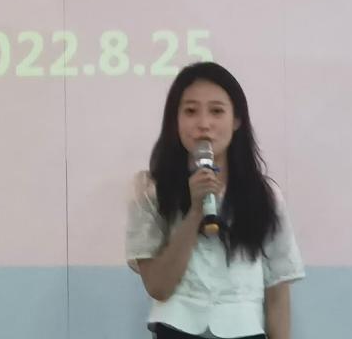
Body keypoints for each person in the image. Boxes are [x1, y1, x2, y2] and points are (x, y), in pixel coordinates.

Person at [125, 62, 304, 339]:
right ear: (175, 120)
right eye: (190, 111)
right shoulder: (151, 190)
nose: (204, 124)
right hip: (177, 329)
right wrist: (195, 212)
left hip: (244, 329)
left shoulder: (265, 196)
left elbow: (277, 292)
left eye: (217, 111)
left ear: (237, 120)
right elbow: (158, 287)